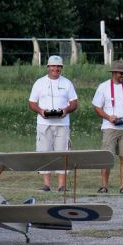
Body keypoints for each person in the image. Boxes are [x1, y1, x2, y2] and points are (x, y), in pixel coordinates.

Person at [28, 55, 78, 192]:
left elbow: (74, 103)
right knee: (44, 152)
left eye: (58, 66)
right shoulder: (39, 83)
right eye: (53, 66)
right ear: (48, 67)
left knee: (63, 153)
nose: (55, 69)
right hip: (44, 124)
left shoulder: (67, 83)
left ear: (61, 68)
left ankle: (62, 185)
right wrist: (40, 111)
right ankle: (47, 185)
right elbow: (32, 103)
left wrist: (65, 110)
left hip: (62, 124)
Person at [92, 60, 123, 194]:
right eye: (121, 73)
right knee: (106, 157)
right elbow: (96, 106)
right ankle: (104, 186)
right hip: (110, 127)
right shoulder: (103, 87)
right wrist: (108, 117)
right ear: (113, 73)